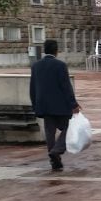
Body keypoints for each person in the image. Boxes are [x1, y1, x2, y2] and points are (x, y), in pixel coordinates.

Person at [29, 39, 80, 172]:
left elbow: (32, 87)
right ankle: (56, 151)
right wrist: (73, 103)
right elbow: (66, 86)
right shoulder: (60, 65)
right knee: (68, 128)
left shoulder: (36, 66)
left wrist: (35, 104)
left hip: (44, 105)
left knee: (50, 133)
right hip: (60, 105)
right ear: (56, 51)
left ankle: (54, 160)